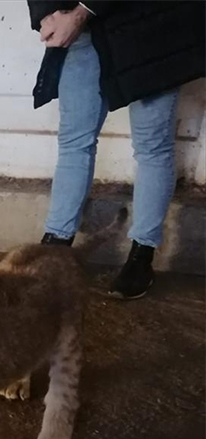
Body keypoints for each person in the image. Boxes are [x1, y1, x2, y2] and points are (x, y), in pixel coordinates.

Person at [27, 1, 205, 299]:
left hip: (150, 23)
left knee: (152, 144)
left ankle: (141, 255)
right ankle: (55, 248)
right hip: (83, 30)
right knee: (74, 141)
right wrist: (47, 13)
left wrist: (81, 11)